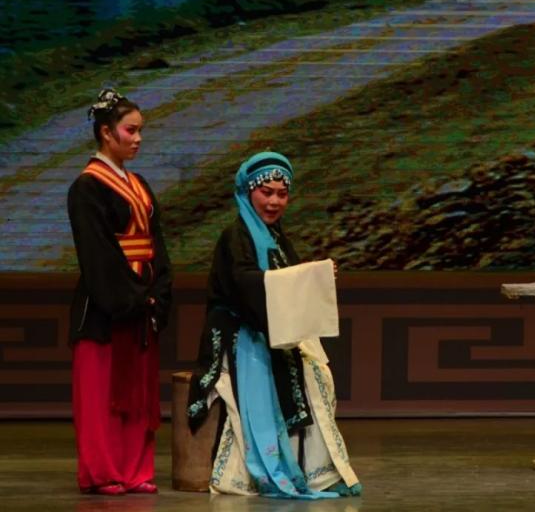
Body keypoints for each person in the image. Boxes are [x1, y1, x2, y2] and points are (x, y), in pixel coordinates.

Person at [187, 151, 361, 499]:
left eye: (282, 194)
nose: (274, 202)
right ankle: (263, 470)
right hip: (244, 334)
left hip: (275, 330)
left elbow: (287, 278)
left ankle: (312, 471)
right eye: (266, 192)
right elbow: (245, 284)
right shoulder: (236, 237)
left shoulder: (276, 236)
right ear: (248, 192)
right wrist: (302, 278)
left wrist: (314, 275)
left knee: (319, 376)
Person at [67, 88, 172, 495]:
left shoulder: (139, 183)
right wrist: (132, 297)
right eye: (131, 130)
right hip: (107, 307)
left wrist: (157, 290)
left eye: (140, 130)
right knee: (102, 394)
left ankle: (135, 470)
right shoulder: (87, 187)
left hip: (141, 299)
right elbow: (98, 253)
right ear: (107, 133)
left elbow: (156, 243)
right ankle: (103, 471)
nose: (138, 138)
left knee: (137, 394)